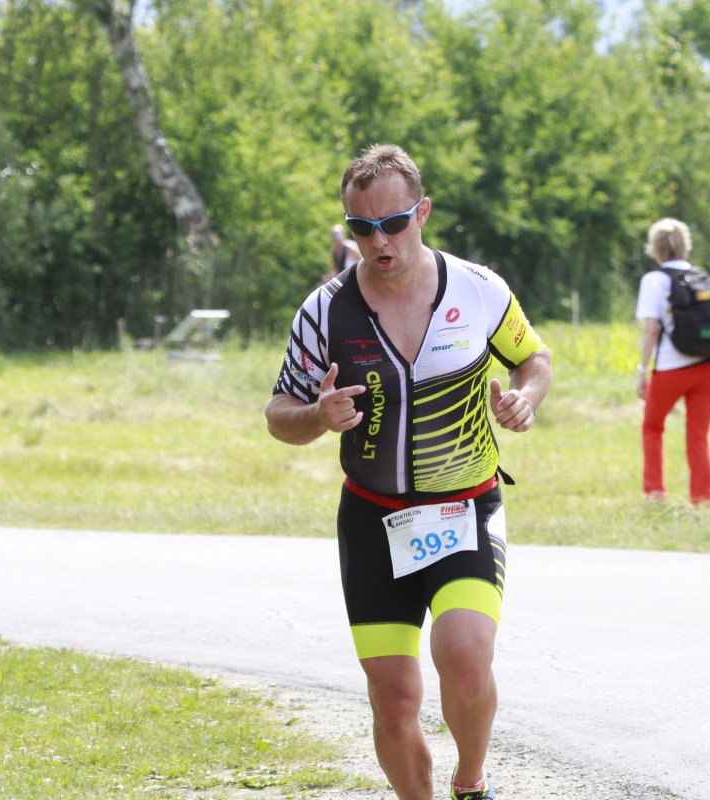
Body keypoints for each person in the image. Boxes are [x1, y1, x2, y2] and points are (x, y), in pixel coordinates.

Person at [265, 144, 551, 800]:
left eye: (392, 223)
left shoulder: (478, 289)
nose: (379, 241)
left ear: (421, 212)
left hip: (464, 507)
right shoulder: (324, 311)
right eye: (362, 228)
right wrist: (317, 415)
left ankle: (470, 782)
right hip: (372, 518)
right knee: (393, 700)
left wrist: (525, 399)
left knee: (465, 655)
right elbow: (279, 414)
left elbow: (533, 359)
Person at [635, 218, 710, 506]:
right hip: (708, 368)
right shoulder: (702, 277)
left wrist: (642, 371)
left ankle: (655, 493)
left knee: (652, 427)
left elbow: (651, 329)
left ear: (655, 249)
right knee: (698, 436)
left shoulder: (653, 280)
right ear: (685, 246)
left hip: (671, 369)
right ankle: (704, 499)